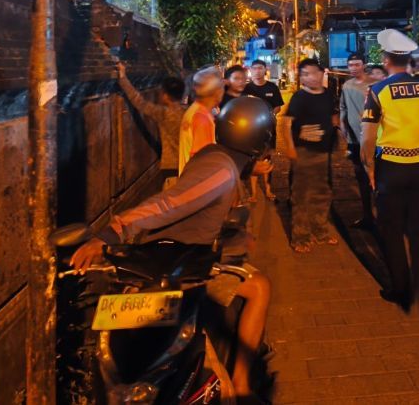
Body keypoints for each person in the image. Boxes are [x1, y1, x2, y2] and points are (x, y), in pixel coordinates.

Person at [70, 97, 276, 400]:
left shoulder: (214, 155)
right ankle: (242, 384)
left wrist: (247, 172)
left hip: (166, 256)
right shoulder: (222, 171)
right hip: (182, 263)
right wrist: (113, 232)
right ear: (259, 141)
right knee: (259, 287)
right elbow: (168, 204)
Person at [361, 30, 419, 315]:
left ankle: (400, 289)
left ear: (386, 60)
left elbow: (367, 138)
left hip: (390, 168)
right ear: (408, 60)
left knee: (391, 230)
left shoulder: (378, 91)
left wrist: (369, 168)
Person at [282, 58, 339, 253]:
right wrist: (290, 148)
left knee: (323, 194)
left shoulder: (328, 95)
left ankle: (320, 231)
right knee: (301, 196)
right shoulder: (299, 97)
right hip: (303, 153)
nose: (309, 77)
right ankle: (300, 236)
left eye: (313, 72)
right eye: (304, 74)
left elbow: (333, 117)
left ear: (322, 73)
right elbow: (286, 123)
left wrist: (337, 135)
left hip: (324, 152)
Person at [117, 63, 186, 188]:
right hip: (187, 164)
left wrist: (122, 78)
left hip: (170, 167)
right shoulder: (187, 112)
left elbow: (139, 102)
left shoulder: (164, 113)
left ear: (166, 95)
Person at [339, 52, 374, 229]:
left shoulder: (374, 84)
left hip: (374, 139)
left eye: (357, 64)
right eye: (350, 65)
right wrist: (342, 125)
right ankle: (367, 215)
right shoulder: (346, 86)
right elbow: (343, 107)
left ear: (364, 65)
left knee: (377, 177)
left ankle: (382, 215)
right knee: (360, 177)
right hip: (354, 139)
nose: (353, 68)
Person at [243, 60, 283, 201]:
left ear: (265, 70)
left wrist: (269, 114)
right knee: (253, 159)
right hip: (252, 130)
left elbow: (278, 107)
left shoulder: (272, 87)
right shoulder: (246, 89)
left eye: (260, 68)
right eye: (254, 68)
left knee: (267, 159)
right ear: (251, 70)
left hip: (268, 130)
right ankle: (253, 193)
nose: (257, 71)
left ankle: (268, 189)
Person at [179, 66, 225, 174]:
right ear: (216, 92)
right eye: (222, 87)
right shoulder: (202, 118)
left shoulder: (195, 109)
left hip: (188, 178)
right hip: (195, 180)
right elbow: (203, 161)